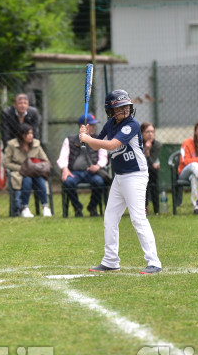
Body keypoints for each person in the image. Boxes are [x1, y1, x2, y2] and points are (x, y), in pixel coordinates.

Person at [79, 89, 162, 274]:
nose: (124, 111)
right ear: (111, 111)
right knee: (110, 219)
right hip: (120, 177)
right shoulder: (110, 124)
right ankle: (110, 261)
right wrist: (84, 136)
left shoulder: (131, 124)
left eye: (126, 107)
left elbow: (111, 145)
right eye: (119, 108)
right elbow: (97, 143)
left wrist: (88, 138)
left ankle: (154, 262)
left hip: (136, 175)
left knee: (138, 218)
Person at [56, 114, 108, 217]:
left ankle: (92, 207)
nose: (93, 127)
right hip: (74, 172)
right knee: (68, 182)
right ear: (81, 126)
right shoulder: (70, 140)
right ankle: (77, 208)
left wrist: (97, 166)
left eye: (94, 125)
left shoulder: (99, 139)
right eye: (91, 125)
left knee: (99, 182)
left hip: (92, 172)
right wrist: (65, 169)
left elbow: (104, 157)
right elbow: (63, 157)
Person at [2, 123, 52, 218]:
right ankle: (25, 208)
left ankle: (45, 206)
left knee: (39, 179)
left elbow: (46, 161)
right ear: (21, 135)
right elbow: (5, 163)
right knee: (27, 179)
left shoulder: (36, 144)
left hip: (35, 171)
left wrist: (35, 166)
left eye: (32, 133)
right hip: (19, 172)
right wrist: (21, 168)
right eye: (28, 133)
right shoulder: (12, 145)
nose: (31, 136)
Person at [141, 122, 162, 214]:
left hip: (150, 169)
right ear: (141, 133)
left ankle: (156, 210)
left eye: (152, 132)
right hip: (139, 169)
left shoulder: (157, 145)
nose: (150, 134)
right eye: (147, 132)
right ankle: (143, 208)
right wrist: (145, 149)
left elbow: (152, 161)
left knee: (153, 171)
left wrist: (147, 151)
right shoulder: (137, 143)